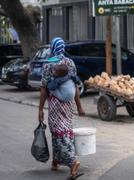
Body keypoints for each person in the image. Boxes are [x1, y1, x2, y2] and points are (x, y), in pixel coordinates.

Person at [38, 37, 85, 178]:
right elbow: (75, 86)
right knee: (65, 130)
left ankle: (72, 161)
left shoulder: (48, 64)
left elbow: (44, 89)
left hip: (55, 102)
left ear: (53, 48)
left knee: (59, 132)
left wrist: (40, 109)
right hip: (68, 103)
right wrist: (79, 106)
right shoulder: (70, 62)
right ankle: (56, 161)